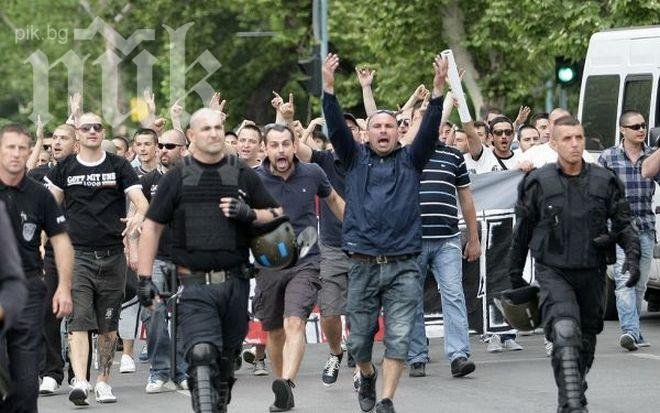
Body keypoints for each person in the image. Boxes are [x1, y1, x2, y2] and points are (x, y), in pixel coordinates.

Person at [323, 52, 446, 413]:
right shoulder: (353, 158)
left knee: (399, 336)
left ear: (398, 132)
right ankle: (366, 373)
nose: (382, 131)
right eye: (376, 126)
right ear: (366, 132)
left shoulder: (412, 159)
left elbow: (430, 129)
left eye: (389, 127)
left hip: (404, 264)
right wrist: (328, 89)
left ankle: (388, 399)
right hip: (361, 264)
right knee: (360, 342)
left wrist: (437, 93)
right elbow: (333, 127)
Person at [137, 108, 283, 413]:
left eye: (219, 127)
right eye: (206, 128)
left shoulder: (241, 172)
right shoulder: (176, 177)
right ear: (191, 136)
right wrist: (144, 278)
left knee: (224, 363)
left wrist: (249, 214)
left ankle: (219, 387)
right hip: (193, 285)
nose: (214, 133)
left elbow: (277, 215)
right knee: (202, 354)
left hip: (235, 283)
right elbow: (151, 226)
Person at [507, 116, 640, 412]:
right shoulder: (538, 182)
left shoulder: (604, 180)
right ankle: (572, 404)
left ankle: (574, 386)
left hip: (592, 272)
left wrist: (631, 258)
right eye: (567, 139)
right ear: (553, 144)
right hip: (553, 271)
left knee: (585, 343)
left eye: (579, 137)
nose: (575, 144)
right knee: (565, 332)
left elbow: (623, 223)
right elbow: (522, 231)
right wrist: (514, 276)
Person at [46, 112, 149, 406]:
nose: (92, 131)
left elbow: (141, 202)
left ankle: (103, 381)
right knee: (78, 321)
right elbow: (49, 206)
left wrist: (137, 218)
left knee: (108, 324)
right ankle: (80, 381)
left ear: (102, 132)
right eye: (86, 127)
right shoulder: (64, 167)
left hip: (112, 255)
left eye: (97, 127)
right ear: (77, 134)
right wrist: (43, 241)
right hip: (77, 256)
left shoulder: (118, 165)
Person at [254, 123, 345, 412]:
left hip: (306, 261)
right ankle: (282, 385)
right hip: (268, 264)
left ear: (295, 146)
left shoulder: (313, 173)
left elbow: (333, 200)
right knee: (274, 332)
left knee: (295, 322)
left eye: (285, 144)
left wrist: (357, 228)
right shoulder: (252, 180)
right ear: (265, 149)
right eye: (274, 145)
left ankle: (288, 382)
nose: (280, 150)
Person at [0, 123, 74, 412]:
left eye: (22, 148)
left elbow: (62, 241)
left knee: (27, 383)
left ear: (30, 151)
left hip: (27, 289)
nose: (16, 154)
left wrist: (64, 288)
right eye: (9, 147)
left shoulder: (40, 195)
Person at [407, 121, 481, 378]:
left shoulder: (453, 156)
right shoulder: (406, 154)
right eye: (431, 126)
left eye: (443, 128)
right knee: (411, 299)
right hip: (411, 241)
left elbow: (466, 199)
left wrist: (473, 239)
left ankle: (459, 355)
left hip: (447, 239)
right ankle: (416, 356)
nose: (437, 132)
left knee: (453, 294)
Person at [295, 112, 360, 388]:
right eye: (339, 129)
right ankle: (336, 352)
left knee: (360, 310)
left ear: (360, 133)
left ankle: (360, 363)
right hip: (332, 247)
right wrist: (289, 120)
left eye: (350, 129)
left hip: (364, 248)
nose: (345, 133)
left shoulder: (370, 159)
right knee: (330, 312)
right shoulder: (323, 160)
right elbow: (297, 150)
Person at [134, 129, 190, 392]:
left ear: (184, 149)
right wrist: (133, 251)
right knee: (153, 312)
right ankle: (159, 369)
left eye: (170, 145)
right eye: (162, 145)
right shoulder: (146, 182)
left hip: (187, 260)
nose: (164, 149)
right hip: (156, 259)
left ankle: (181, 372)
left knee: (184, 316)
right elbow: (135, 220)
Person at [598, 110, 657, 350]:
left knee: (641, 283)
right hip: (621, 230)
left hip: (645, 226)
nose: (641, 130)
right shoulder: (609, 157)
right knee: (624, 280)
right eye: (635, 126)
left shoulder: (652, 156)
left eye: (643, 126)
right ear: (622, 130)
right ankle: (630, 332)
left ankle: (635, 333)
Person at [27, 123, 79, 394]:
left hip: (84, 249)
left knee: (82, 315)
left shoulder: (87, 170)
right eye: (53, 139)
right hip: (53, 252)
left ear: (77, 143)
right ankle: (51, 372)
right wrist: (40, 245)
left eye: (63, 138)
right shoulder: (38, 175)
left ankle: (77, 373)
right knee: (49, 309)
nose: (56, 143)